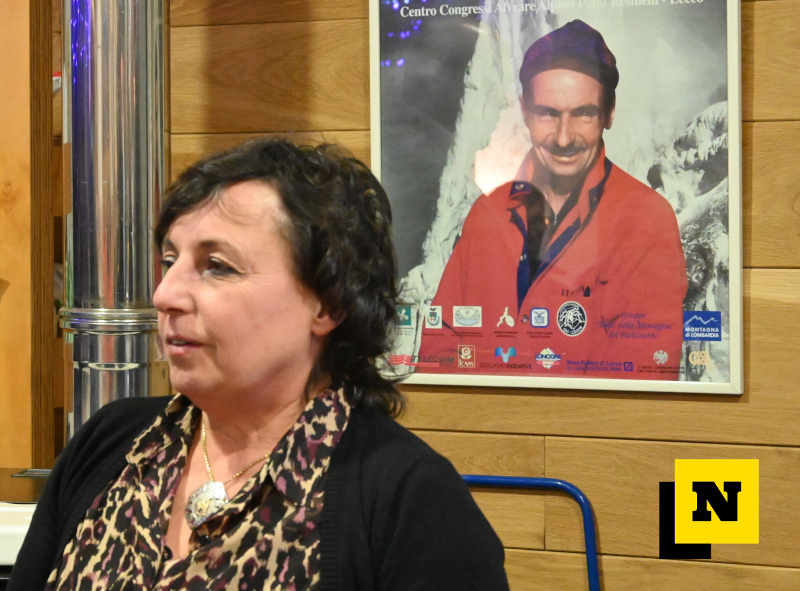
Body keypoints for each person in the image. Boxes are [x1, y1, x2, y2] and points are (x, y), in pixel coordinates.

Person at [10, 139, 509, 590]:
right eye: (169, 261)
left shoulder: (409, 500)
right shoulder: (110, 444)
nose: (164, 295)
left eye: (217, 266)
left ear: (329, 304)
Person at [418, 20, 688, 380]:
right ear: (525, 112)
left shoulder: (646, 220)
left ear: (609, 113)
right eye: (548, 113)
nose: (563, 138)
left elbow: (640, 382)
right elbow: (437, 356)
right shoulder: (486, 214)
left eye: (583, 113)